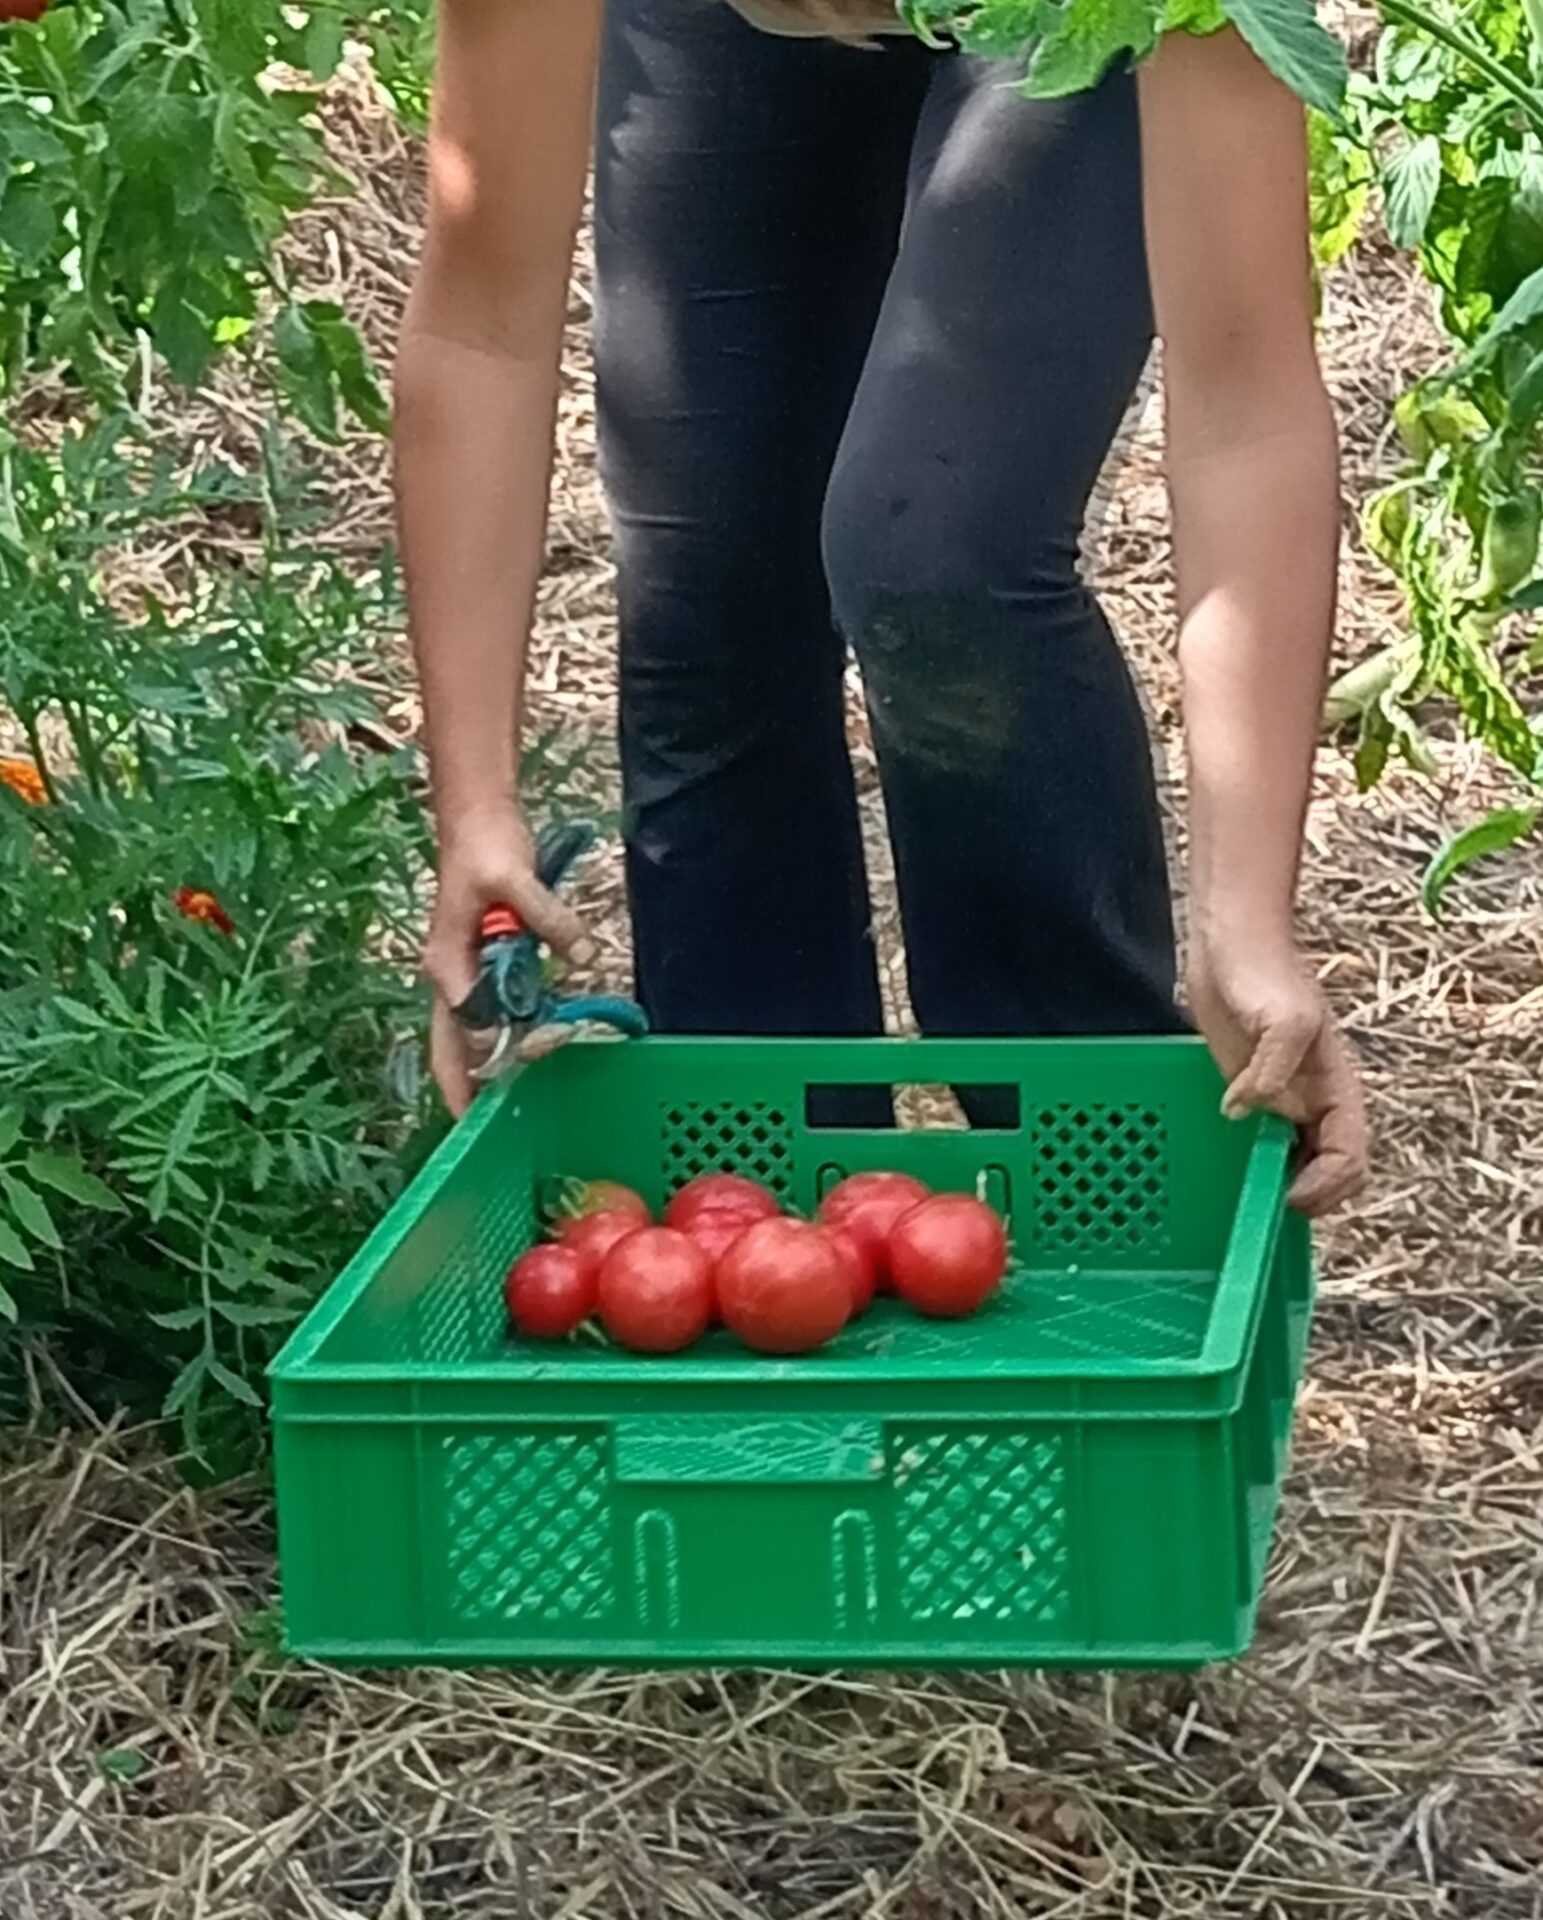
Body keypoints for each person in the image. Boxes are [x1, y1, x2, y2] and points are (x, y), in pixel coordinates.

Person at [395, 0, 1369, 1215]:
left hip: (1070, 21)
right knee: (712, 602)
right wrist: (476, 814)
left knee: (932, 553)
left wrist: (1247, 922)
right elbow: (482, 326)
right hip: (704, 47)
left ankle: (1105, 1199)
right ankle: (751, 1232)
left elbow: (1245, 400)